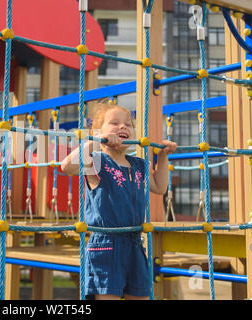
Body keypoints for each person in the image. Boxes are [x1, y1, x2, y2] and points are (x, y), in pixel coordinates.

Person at [60, 100, 177, 300]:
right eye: (114, 123)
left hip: (135, 242)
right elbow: (67, 166)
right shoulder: (96, 161)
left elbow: (159, 187)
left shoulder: (139, 165)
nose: (122, 126)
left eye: (128, 124)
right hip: (106, 244)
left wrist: (163, 157)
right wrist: (96, 141)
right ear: (99, 131)